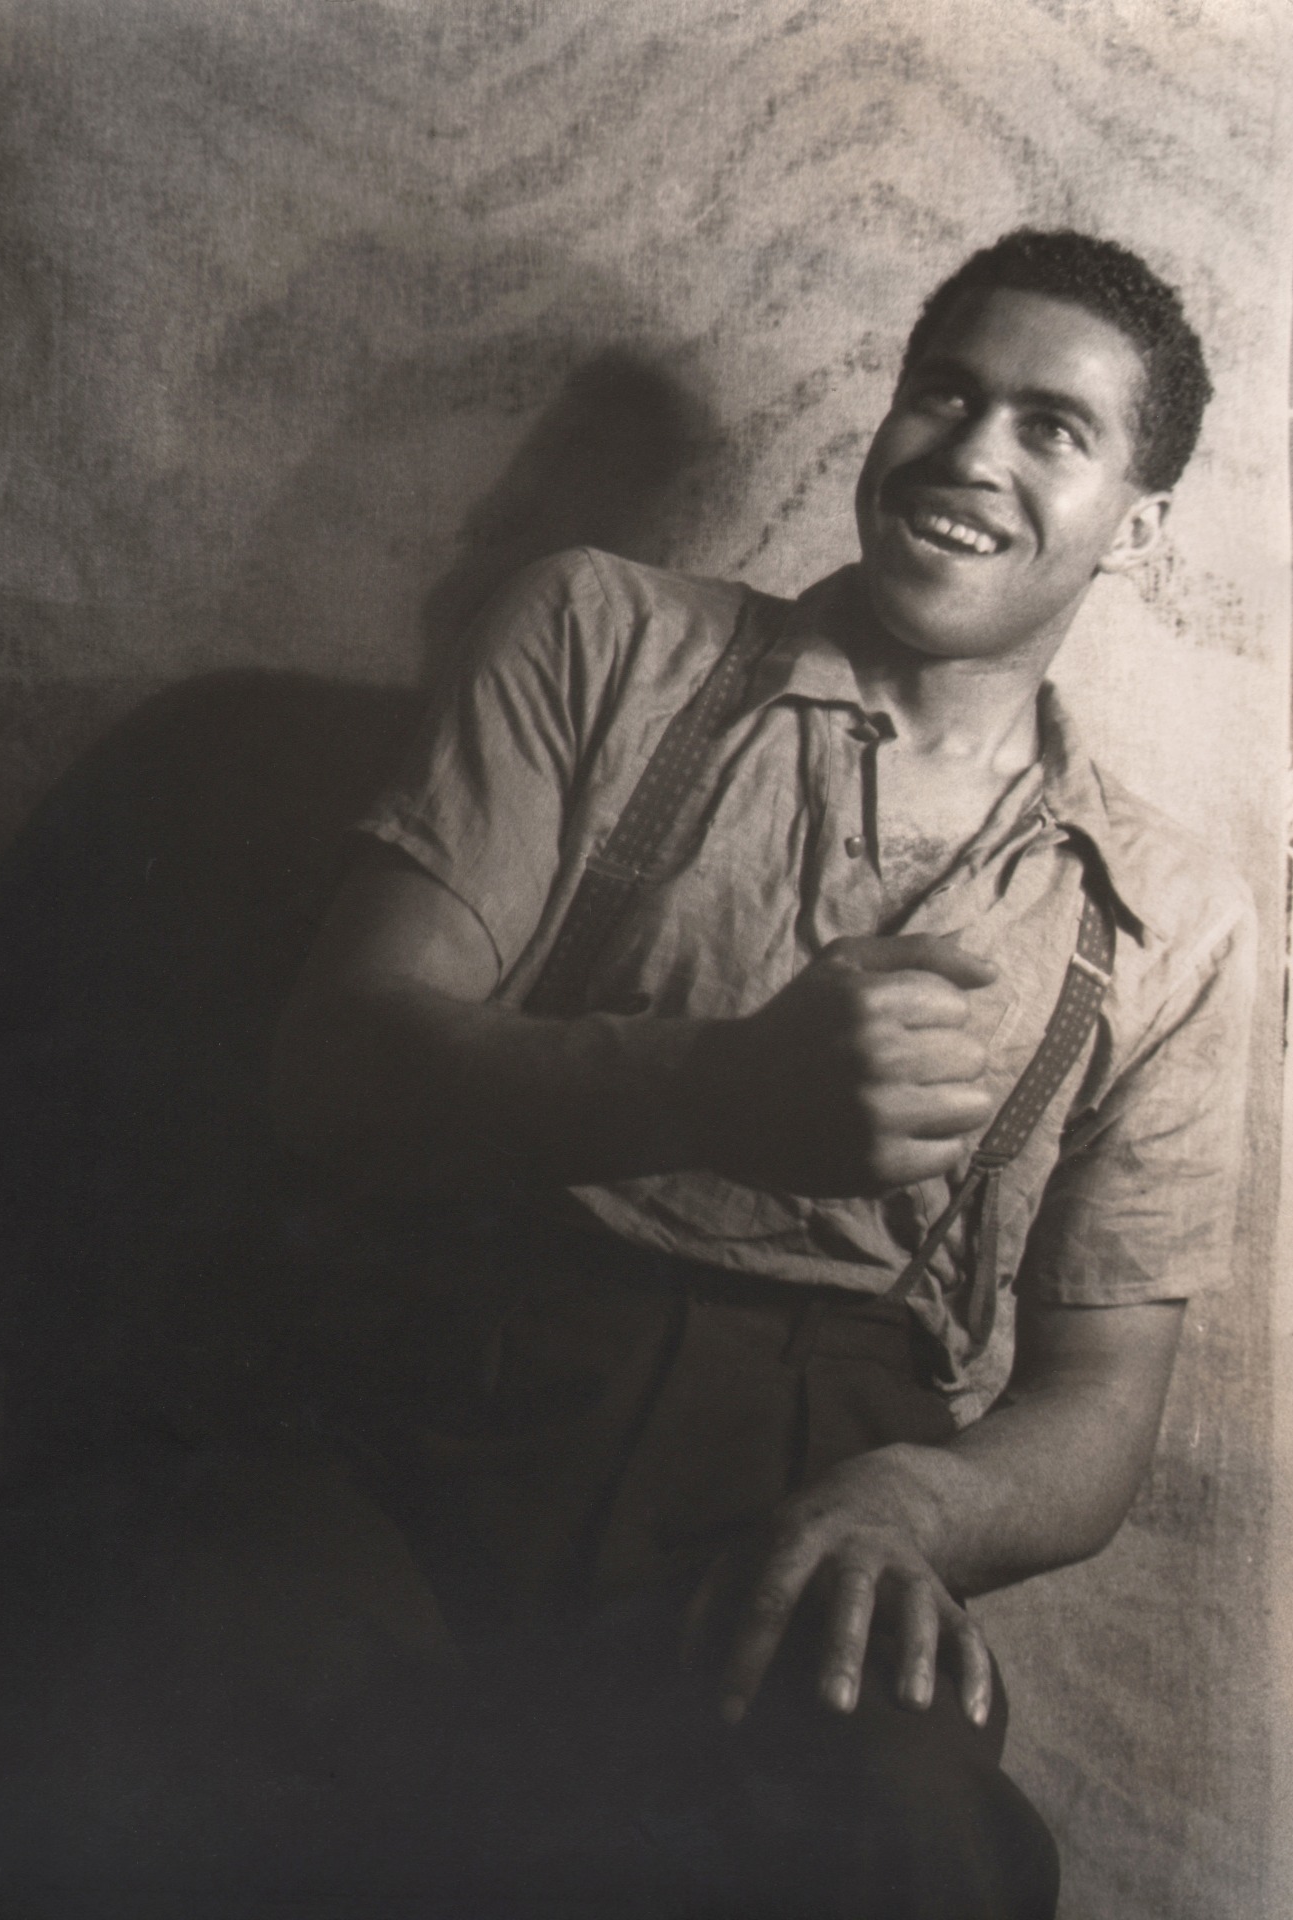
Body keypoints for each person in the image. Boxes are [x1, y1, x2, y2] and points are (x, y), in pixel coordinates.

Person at [269, 228, 1255, 1918]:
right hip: (414, 1409)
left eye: (1050, 428)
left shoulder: (1170, 917)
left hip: (795, 1511)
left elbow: (1096, 1406)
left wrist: (913, 1511)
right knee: (90, 1732)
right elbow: (335, 1062)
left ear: (1139, 525)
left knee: (910, 1862)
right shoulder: (601, 638)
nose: (969, 453)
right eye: (943, 394)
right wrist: (711, 1093)